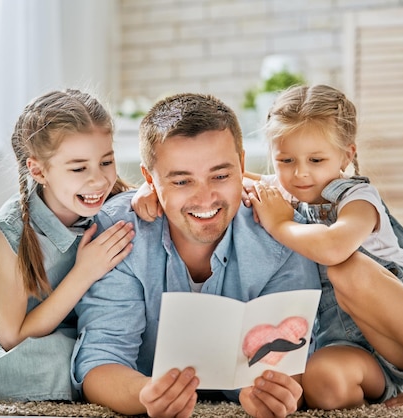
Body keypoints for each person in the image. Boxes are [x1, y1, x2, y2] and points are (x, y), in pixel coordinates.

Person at [71, 92, 321, 418]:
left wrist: (278, 394)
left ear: (242, 166)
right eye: (182, 181)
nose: (205, 199)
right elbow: (100, 360)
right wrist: (145, 395)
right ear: (150, 179)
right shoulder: (120, 233)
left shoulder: (283, 235)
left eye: (220, 175)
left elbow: (294, 361)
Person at [242, 84, 403, 409]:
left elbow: (334, 248)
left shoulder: (358, 198)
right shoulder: (286, 190)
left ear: (347, 155)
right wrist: (149, 191)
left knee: (345, 268)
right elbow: (225, 179)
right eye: (285, 159)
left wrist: (279, 224)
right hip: (353, 350)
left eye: (316, 159)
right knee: (321, 381)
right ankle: (386, 400)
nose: (300, 172)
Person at [0, 89, 135, 401]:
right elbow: (12, 338)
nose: (98, 180)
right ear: (39, 170)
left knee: (109, 350)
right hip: (5, 338)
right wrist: (84, 272)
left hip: (75, 330)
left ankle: (107, 375)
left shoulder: (116, 203)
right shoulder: (11, 231)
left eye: (106, 161)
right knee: (25, 369)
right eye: (79, 168)